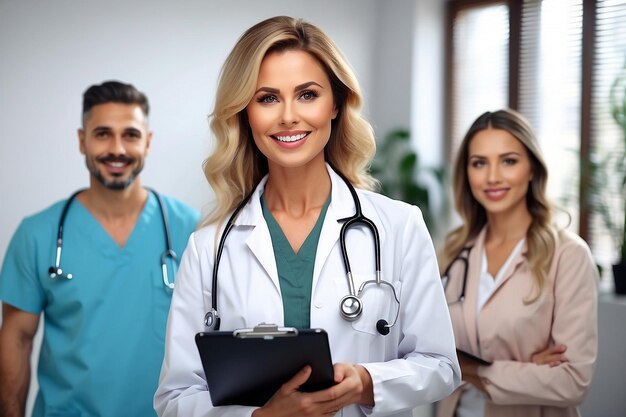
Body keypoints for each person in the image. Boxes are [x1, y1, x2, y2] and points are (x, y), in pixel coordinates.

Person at [154, 15, 461, 417]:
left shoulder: (398, 226)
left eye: (307, 95)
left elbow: (441, 365)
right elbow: (175, 397)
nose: (288, 117)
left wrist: (368, 383)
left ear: (336, 103)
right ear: (245, 113)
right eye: (267, 98)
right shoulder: (209, 247)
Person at [0, 80, 200, 417]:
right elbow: (17, 341)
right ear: (82, 141)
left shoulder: (192, 230)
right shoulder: (36, 235)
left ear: (148, 143)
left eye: (131, 135)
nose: (117, 149)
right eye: (103, 133)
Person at [436, 109, 598, 417]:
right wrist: (523, 371)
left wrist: (474, 370)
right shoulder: (453, 252)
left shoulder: (568, 256)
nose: (493, 176)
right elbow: (420, 347)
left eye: (508, 161)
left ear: (532, 169)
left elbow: (573, 381)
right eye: (479, 163)